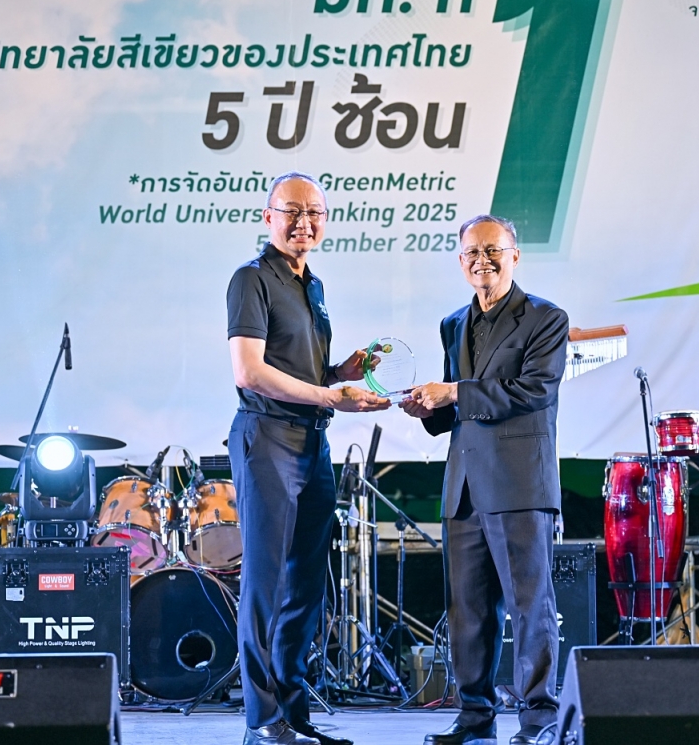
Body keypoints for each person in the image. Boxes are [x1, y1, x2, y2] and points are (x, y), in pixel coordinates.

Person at [227, 172, 389, 745]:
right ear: (267, 217)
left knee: (304, 588)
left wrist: (341, 373)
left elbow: (302, 371)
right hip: (268, 440)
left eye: (315, 212)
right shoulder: (252, 279)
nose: (304, 223)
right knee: (266, 586)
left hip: (312, 443)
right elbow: (249, 372)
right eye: (292, 211)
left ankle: (293, 714)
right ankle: (262, 719)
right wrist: (329, 394)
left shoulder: (311, 284)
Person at [401, 215, 568, 745]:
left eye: (493, 250)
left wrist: (453, 392)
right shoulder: (453, 323)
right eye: (472, 252)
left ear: (514, 256)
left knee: (529, 607)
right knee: (468, 612)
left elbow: (533, 391)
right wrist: (428, 410)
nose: (482, 260)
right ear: (460, 262)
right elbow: (459, 410)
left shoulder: (546, 318)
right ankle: (474, 718)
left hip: (519, 485)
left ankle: (540, 718)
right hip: (465, 488)